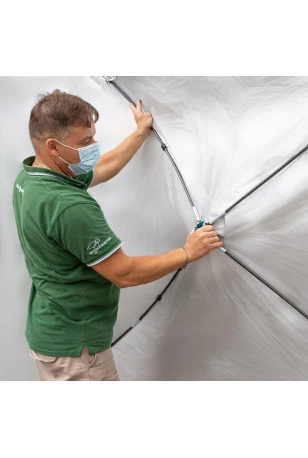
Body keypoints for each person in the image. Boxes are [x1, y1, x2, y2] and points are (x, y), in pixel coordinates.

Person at [12, 89, 223, 381]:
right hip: (77, 351)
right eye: (84, 142)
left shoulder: (31, 178)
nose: (93, 146)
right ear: (53, 146)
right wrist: (188, 251)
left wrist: (140, 132)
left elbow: (103, 166)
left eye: (93, 137)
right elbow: (124, 273)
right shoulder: (68, 205)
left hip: (52, 332)